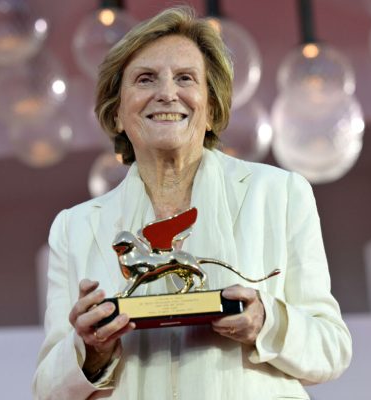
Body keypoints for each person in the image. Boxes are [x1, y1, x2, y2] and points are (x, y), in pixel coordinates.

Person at [33, 6, 352, 400]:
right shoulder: (74, 226)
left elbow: (332, 348)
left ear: (212, 109)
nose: (167, 93)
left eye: (185, 78)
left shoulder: (281, 193)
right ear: (116, 113)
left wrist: (266, 322)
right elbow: (47, 388)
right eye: (146, 79)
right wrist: (90, 352)